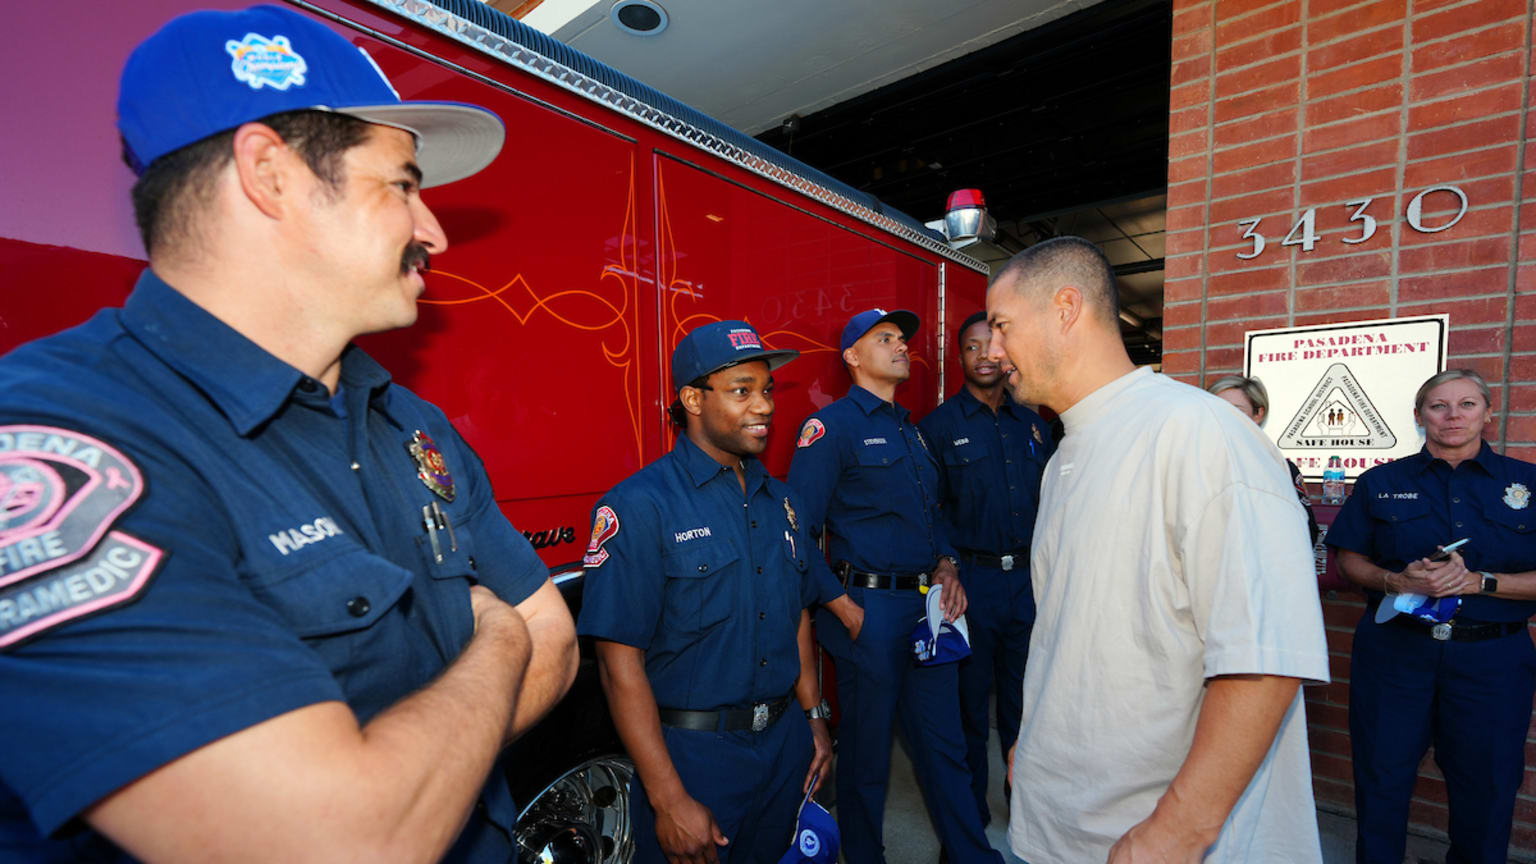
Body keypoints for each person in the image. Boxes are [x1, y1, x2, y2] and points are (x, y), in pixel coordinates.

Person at [0, 7, 578, 861]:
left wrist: (402, 764)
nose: (435, 233)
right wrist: (494, 639)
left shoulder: (407, 423)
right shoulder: (60, 435)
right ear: (270, 175)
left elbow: (558, 647)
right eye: (404, 185)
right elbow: (340, 842)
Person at [986, 237, 1329, 864]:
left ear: (1066, 308)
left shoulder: (1201, 433)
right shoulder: (1067, 453)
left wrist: (1175, 833)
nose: (993, 350)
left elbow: (1265, 659)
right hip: (1067, 821)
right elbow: (1079, 630)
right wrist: (1036, 743)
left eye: (1003, 326)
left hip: (1155, 838)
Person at [577, 320, 859, 864]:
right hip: (693, 757)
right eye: (741, 391)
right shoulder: (640, 506)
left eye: (768, 390)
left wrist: (814, 719)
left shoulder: (783, 502)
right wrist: (668, 797)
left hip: (784, 749)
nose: (765, 406)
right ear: (692, 399)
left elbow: (795, 618)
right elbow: (619, 666)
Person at [788, 308, 1003, 864]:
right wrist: (842, 607)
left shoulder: (912, 432)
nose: (901, 345)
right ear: (853, 357)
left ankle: (973, 856)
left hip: (926, 614)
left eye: (903, 338)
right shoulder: (830, 428)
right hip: (869, 613)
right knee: (866, 765)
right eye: (884, 339)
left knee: (946, 750)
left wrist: (948, 563)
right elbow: (796, 537)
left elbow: (936, 518)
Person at [1325, 369, 1536, 864]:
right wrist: (1398, 581)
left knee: (1488, 784)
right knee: (1381, 775)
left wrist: (1479, 582)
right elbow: (1350, 558)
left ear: (1488, 412)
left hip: (1493, 659)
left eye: (1467, 404)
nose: (1453, 415)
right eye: (1439, 406)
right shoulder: (1381, 481)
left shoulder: (1528, 483)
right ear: (1420, 416)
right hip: (1397, 654)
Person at [918, 310, 1054, 826]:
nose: (981, 356)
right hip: (969, 586)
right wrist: (945, 566)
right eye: (969, 348)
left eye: (988, 346)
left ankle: (1024, 801)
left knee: (1026, 703)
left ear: (1004, 353)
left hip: (1028, 583)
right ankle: (969, 817)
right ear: (960, 358)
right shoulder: (936, 429)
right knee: (970, 710)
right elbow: (928, 512)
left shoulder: (1035, 426)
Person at [1207, 374, 1321, 546]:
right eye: (1217, 409)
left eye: (1237, 410)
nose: (1225, 417)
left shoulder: (1279, 468)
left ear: (1258, 414)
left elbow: (1305, 533)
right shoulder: (1195, 463)